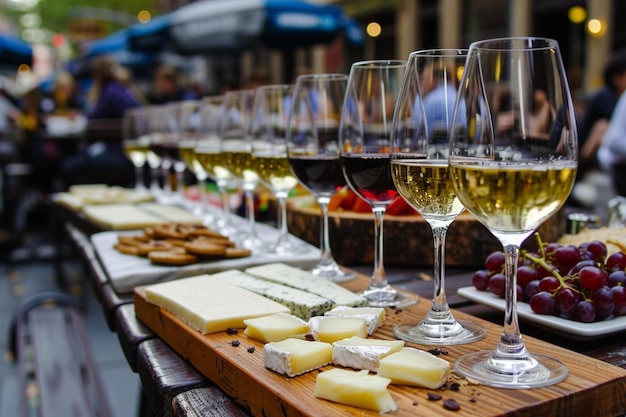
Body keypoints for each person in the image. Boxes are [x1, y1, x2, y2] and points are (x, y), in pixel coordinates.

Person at [60, 55, 141, 187]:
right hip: (127, 151)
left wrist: (80, 117)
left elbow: (91, 120)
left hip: (121, 153)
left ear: (97, 76)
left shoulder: (110, 92)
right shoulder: (120, 88)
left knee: (69, 167)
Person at [577, 49, 626, 174]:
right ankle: (582, 166)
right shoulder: (606, 97)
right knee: (603, 126)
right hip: (587, 150)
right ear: (616, 77)